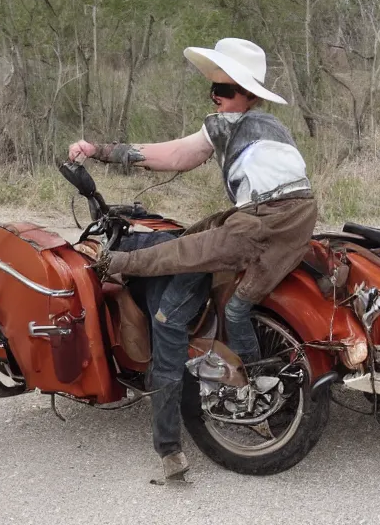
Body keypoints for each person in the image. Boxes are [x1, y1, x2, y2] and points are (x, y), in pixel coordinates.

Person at [67, 38, 318, 481]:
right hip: (294, 220)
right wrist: (106, 151)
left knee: (173, 285)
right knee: (235, 300)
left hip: (261, 222)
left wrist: (101, 151)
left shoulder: (231, 125)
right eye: (214, 89)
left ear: (246, 93)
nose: (216, 97)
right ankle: (262, 384)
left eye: (225, 89)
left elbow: (175, 154)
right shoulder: (268, 127)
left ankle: (176, 442)